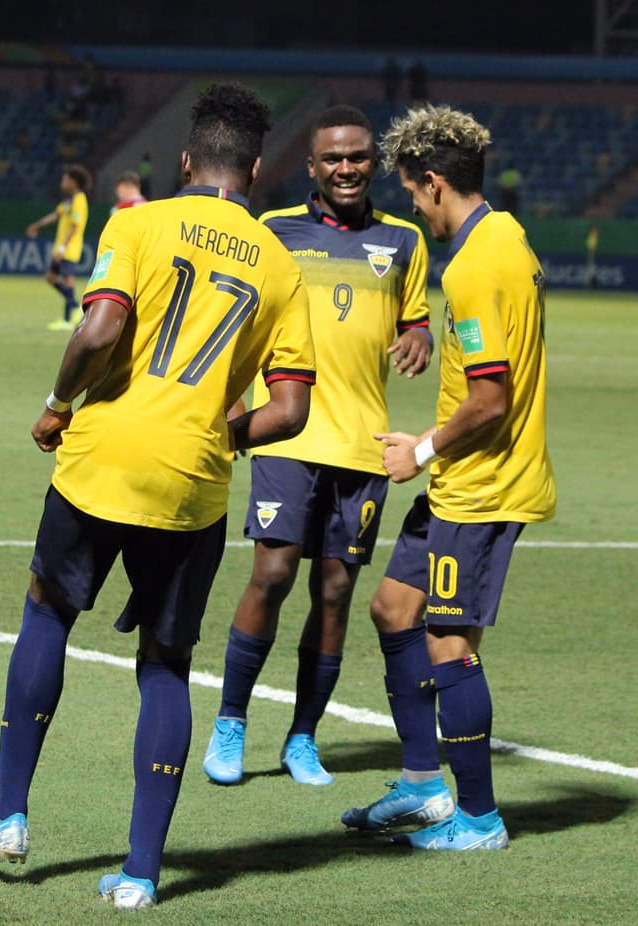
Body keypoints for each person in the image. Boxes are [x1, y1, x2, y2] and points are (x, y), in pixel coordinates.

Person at [0, 82, 316, 910]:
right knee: (165, 664)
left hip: (102, 459)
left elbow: (102, 326)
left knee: (47, 612)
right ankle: (144, 874)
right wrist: (224, 435)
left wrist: (56, 406)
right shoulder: (278, 264)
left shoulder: (139, 221)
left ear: (187, 161)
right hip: (192, 483)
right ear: (255, 171)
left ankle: (9, 815)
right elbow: (290, 409)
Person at [341, 104, 556, 851]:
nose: (412, 206)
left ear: (434, 184)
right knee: (394, 609)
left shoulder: (474, 265)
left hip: (480, 484)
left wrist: (422, 451)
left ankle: (480, 818)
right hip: (460, 480)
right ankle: (424, 784)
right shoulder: (505, 237)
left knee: (449, 646)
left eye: (411, 192)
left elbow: (490, 398)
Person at [202, 104, 432, 789]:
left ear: (375, 162)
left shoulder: (405, 243)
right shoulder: (272, 232)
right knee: (271, 576)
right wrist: (236, 411)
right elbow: (238, 319)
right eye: (332, 158)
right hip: (288, 432)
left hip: (363, 446)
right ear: (311, 167)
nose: (346, 168)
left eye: (358, 156)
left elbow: (414, 320)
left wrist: (420, 334)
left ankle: (303, 737)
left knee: (334, 594)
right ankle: (231, 722)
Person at [27, 164, 91, 332]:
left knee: (68, 280)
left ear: (74, 182)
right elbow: (56, 215)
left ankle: (68, 319)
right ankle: (76, 306)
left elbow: (75, 226)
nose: (62, 181)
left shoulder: (79, 200)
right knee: (50, 277)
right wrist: (36, 225)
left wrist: (63, 248)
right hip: (61, 248)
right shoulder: (69, 200)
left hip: (69, 248)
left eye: (66, 178)